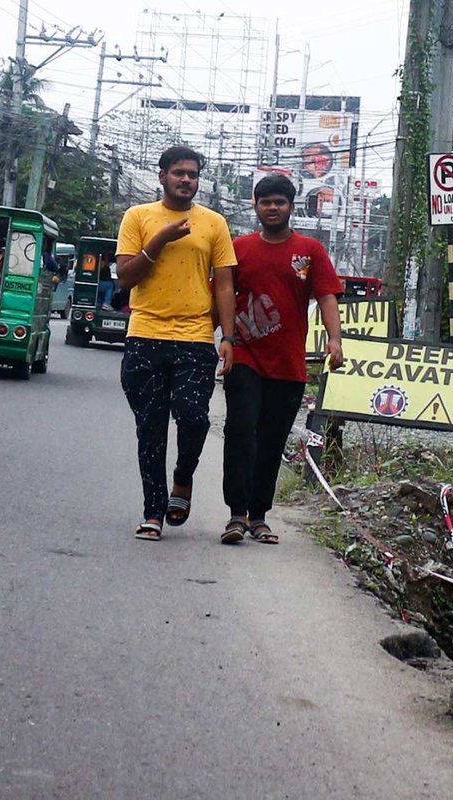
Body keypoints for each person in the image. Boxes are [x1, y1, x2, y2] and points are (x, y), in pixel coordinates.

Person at [115, 145, 238, 543]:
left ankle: (183, 479)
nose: (186, 180)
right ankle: (153, 510)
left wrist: (228, 338)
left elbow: (224, 284)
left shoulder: (214, 223)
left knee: (194, 418)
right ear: (162, 176)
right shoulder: (138, 217)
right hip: (145, 336)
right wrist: (160, 239)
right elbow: (125, 278)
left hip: (194, 340)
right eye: (179, 173)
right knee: (150, 429)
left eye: (192, 174)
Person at [221, 174, 343, 544]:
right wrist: (221, 339)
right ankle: (236, 515)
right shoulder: (238, 248)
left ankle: (259, 516)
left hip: (289, 364)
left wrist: (335, 339)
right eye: (265, 202)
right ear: (256, 205)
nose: (272, 208)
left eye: (280, 202)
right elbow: (222, 295)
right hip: (244, 356)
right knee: (240, 432)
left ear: (291, 207)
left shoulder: (310, 251)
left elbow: (326, 296)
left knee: (272, 440)